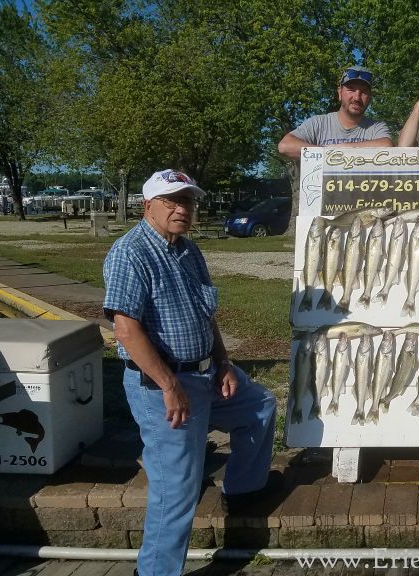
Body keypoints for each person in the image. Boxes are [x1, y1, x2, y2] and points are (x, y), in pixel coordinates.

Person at [103, 169, 277, 576]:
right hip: (161, 385)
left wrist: (223, 363)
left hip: (204, 377)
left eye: (189, 201)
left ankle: (244, 491)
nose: (182, 209)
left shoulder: (187, 250)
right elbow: (126, 329)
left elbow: (205, 314)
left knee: (260, 405)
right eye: (172, 201)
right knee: (176, 491)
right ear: (148, 205)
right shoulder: (130, 252)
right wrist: (169, 385)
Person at [278, 65, 392, 159]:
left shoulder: (376, 127)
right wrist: (327, 152)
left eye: (364, 92)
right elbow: (285, 146)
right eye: (351, 89)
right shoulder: (318, 123)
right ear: (339, 93)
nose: (357, 97)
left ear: (370, 97)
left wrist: (340, 149)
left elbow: (386, 146)